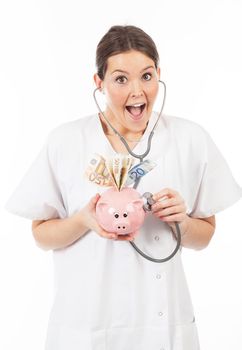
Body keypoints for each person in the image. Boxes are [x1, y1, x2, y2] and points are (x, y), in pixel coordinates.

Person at [5, 25, 242, 350]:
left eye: (146, 76)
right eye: (120, 79)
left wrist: (182, 222)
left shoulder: (189, 139)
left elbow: (205, 236)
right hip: (86, 325)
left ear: (159, 74)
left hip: (162, 326)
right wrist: (84, 220)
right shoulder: (66, 141)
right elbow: (41, 235)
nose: (137, 92)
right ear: (98, 82)